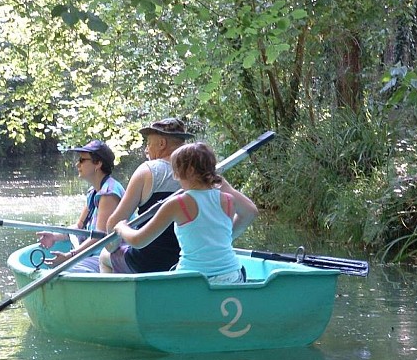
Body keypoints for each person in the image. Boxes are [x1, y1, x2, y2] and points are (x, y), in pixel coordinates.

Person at [113, 142, 258, 284]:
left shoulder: (177, 204)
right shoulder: (228, 200)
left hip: (192, 279)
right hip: (231, 275)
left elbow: (139, 241)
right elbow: (248, 213)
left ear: (186, 171)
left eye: (175, 170)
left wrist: (122, 228)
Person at [99, 118, 193, 274]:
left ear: (162, 144)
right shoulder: (198, 173)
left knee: (105, 256)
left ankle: (116, 297)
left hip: (148, 261)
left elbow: (114, 224)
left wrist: (115, 243)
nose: (146, 149)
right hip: (186, 260)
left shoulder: (147, 170)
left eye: (148, 143)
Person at [37, 139, 125, 272]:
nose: (77, 164)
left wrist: (70, 256)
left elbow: (99, 238)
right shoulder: (94, 191)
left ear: (98, 164)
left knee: (63, 272)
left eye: (82, 160)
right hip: (93, 255)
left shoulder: (109, 193)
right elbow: (79, 227)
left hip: (108, 258)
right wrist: (55, 236)